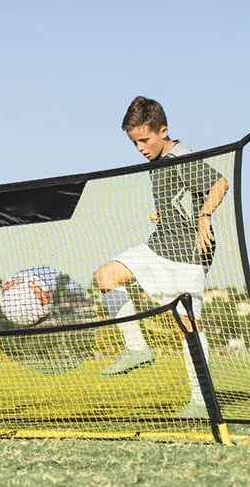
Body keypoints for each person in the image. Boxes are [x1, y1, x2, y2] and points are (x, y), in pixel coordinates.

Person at [93, 96, 229, 417]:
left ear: (163, 131)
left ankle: (202, 401)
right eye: (134, 142)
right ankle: (137, 349)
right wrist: (165, 213)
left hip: (186, 253)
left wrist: (204, 216)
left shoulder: (181, 157)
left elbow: (220, 183)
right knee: (106, 276)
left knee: (187, 324)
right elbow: (183, 196)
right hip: (160, 244)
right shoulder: (158, 159)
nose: (140, 148)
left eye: (144, 140)